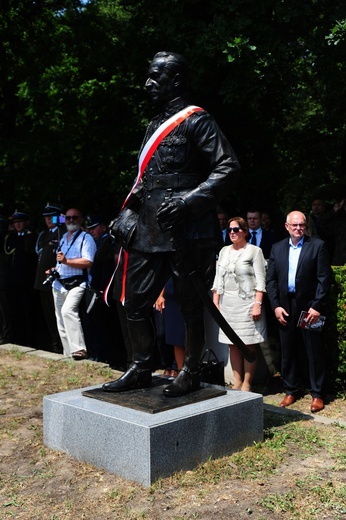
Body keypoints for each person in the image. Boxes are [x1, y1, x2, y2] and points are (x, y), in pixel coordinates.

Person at [103, 51, 240, 397]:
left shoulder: (198, 121)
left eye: (155, 77)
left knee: (191, 307)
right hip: (149, 232)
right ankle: (141, 367)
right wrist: (127, 212)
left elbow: (227, 167)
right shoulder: (153, 126)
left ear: (175, 80)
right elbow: (146, 180)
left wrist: (189, 200)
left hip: (189, 231)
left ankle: (191, 371)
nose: (147, 84)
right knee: (133, 302)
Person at [266, 211, 332, 412]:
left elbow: (324, 278)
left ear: (306, 226)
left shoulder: (317, 246)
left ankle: (317, 394)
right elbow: (271, 280)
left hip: (309, 308)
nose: (298, 228)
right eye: (294, 225)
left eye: (301, 225)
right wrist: (276, 306)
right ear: (287, 226)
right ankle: (291, 390)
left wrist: (316, 306)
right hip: (285, 307)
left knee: (314, 351)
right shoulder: (277, 248)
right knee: (288, 350)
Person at [212, 216, 267, 391]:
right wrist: (216, 302)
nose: (232, 233)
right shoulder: (224, 251)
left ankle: (247, 383)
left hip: (247, 304)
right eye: (230, 230)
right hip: (227, 304)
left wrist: (258, 303)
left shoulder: (254, 251)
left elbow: (261, 280)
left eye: (236, 229)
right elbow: (217, 279)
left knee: (248, 343)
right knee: (232, 343)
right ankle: (237, 381)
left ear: (244, 231)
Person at [81, 215, 127, 367]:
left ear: (103, 227)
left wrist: (102, 289)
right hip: (99, 290)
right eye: (90, 228)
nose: (91, 231)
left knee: (110, 328)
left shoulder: (110, 243)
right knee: (100, 327)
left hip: (106, 291)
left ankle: (115, 359)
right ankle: (107, 356)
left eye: (94, 228)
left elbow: (108, 268)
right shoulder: (99, 242)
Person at [51, 208, 96, 359]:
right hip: (59, 283)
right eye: (68, 218)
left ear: (81, 219)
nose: (71, 220)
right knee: (60, 319)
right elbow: (60, 260)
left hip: (77, 283)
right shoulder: (63, 237)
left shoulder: (86, 238)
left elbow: (88, 261)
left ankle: (79, 349)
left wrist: (66, 261)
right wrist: (55, 268)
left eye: (74, 218)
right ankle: (68, 353)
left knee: (68, 311)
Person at [4, 210, 37, 346]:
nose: (17, 225)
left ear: (26, 223)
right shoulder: (11, 237)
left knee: (27, 311)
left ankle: (29, 339)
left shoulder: (32, 237)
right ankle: (16, 337)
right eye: (15, 223)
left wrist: (28, 235)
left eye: (20, 222)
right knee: (14, 310)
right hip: (12, 281)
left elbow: (31, 254)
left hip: (26, 280)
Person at [34, 203, 64, 353]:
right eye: (46, 217)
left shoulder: (62, 232)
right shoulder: (43, 234)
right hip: (42, 280)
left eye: (51, 216)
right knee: (48, 314)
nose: (48, 220)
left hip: (57, 280)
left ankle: (60, 343)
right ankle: (53, 342)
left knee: (58, 313)